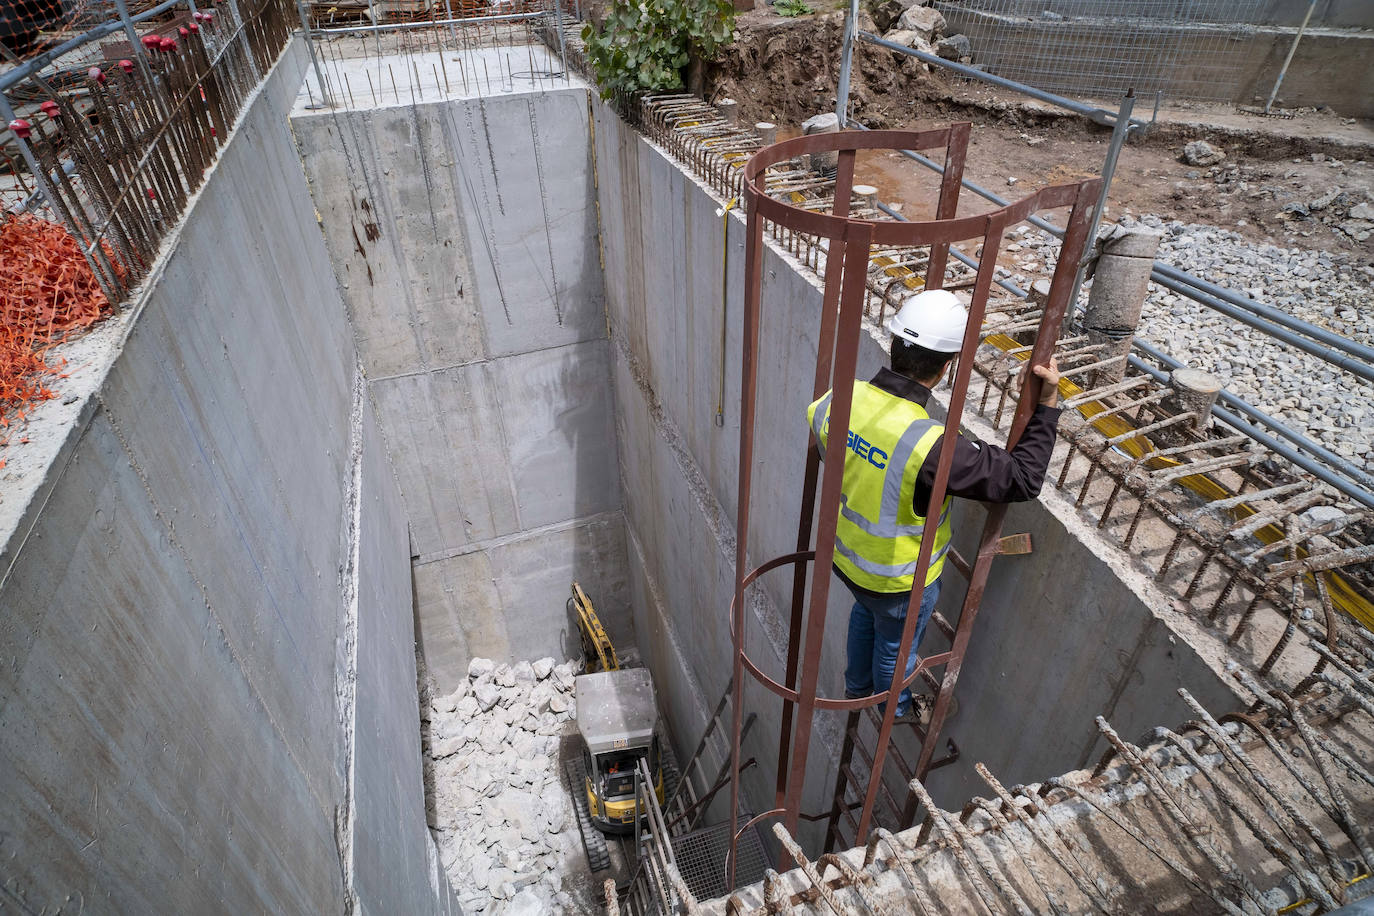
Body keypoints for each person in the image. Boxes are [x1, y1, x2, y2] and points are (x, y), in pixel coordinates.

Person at [805, 288, 1063, 720]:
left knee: (866, 614)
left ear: (893, 346)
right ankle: (894, 709)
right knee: (895, 646)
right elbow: (1022, 478)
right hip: (898, 579)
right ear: (946, 368)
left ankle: (856, 689)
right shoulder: (932, 446)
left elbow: (825, 447)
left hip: (844, 559)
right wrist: (1047, 405)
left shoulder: (838, 398)